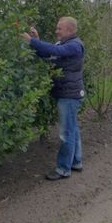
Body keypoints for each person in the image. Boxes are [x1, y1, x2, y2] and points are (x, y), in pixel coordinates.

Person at [22, 17, 85, 180]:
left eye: (59, 28)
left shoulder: (75, 45)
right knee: (73, 129)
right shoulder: (63, 45)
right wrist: (36, 41)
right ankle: (76, 162)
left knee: (66, 133)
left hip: (69, 95)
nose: (56, 31)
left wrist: (32, 42)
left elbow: (55, 52)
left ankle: (63, 169)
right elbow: (48, 54)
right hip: (66, 93)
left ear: (70, 30)